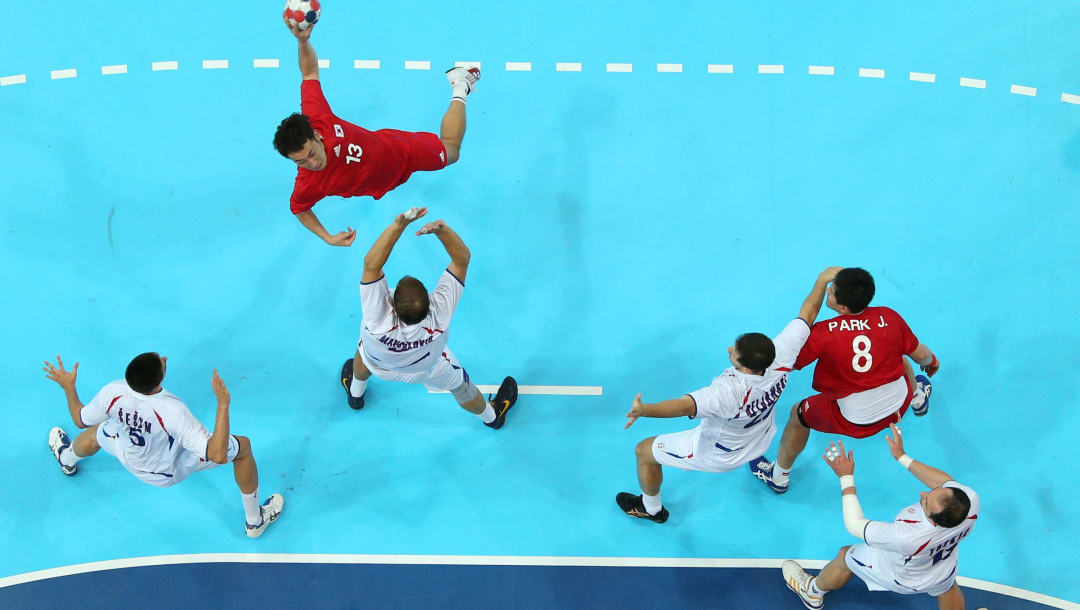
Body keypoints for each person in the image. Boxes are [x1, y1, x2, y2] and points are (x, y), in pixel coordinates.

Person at [614, 267, 842, 523]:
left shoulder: (727, 392)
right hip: (761, 438)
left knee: (644, 451)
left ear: (744, 365)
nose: (729, 349)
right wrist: (823, 280)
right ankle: (774, 475)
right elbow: (808, 314)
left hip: (720, 453)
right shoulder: (781, 354)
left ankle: (651, 508)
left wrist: (646, 410)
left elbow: (684, 406)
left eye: (734, 351)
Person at [275, 16, 481, 246]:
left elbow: (309, 73)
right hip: (382, 183)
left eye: (311, 154)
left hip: (401, 150)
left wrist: (302, 43)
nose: (312, 163)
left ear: (317, 135)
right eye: (301, 162)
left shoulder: (318, 116)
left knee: (451, 152)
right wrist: (328, 237)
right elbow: (300, 208)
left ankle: (461, 85)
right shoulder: (308, 183)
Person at [43, 353, 284, 538]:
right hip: (166, 471)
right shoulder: (173, 412)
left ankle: (66, 459)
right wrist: (223, 404)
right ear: (160, 378)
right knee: (242, 449)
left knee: (97, 432)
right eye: (162, 361)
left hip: (128, 454)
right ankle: (255, 521)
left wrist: (68, 387)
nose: (165, 358)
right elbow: (218, 454)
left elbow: (79, 419)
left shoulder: (112, 392)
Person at [749, 267, 939, 494]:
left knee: (798, 415)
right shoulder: (889, 317)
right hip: (900, 404)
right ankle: (918, 398)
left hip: (857, 420)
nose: (829, 289)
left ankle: (778, 476)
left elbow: (788, 361)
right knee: (900, 354)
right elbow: (921, 355)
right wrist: (933, 362)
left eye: (832, 291)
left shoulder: (823, 333)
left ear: (842, 308)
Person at [340, 207, 518, 429]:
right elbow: (462, 260)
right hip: (427, 369)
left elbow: (371, 264)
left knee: (364, 352)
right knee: (461, 387)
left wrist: (399, 224)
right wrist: (443, 231)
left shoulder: (377, 316)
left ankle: (355, 396)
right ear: (429, 300)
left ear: (392, 305)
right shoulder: (439, 312)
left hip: (378, 363)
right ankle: (493, 417)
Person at [781, 424, 977, 610]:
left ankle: (812, 591)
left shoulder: (907, 537)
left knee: (844, 556)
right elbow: (943, 481)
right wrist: (902, 457)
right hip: (942, 569)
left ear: (934, 521)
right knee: (948, 587)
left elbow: (854, 525)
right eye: (931, 492)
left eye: (926, 502)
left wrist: (845, 477)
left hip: (900, 576)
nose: (923, 495)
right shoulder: (968, 507)